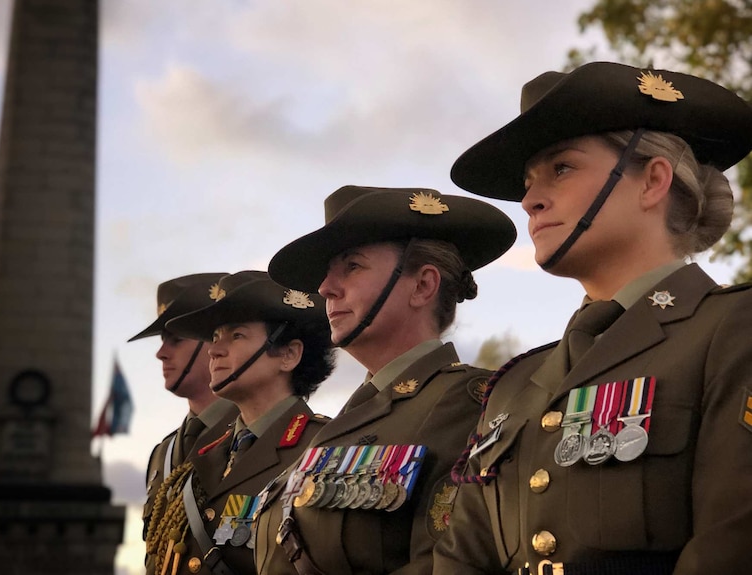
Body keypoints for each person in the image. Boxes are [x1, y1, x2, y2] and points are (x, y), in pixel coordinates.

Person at [434, 62, 752, 574]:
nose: (530, 200)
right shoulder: (514, 386)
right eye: (528, 182)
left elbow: (732, 546)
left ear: (652, 181)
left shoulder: (735, 329)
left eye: (561, 168)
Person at [253, 185, 517, 575]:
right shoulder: (343, 422)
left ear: (423, 286)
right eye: (328, 273)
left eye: (352, 266)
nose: (325, 288)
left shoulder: (470, 404)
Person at [145, 270, 335, 575]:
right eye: (215, 338)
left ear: (288, 354)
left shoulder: (324, 448)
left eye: (236, 336)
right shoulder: (203, 453)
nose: (215, 350)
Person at [129, 274, 239, 543]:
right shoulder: (163, 454)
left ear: (215, 341)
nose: (161, 353)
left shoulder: (258, 435)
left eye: (176, 339)